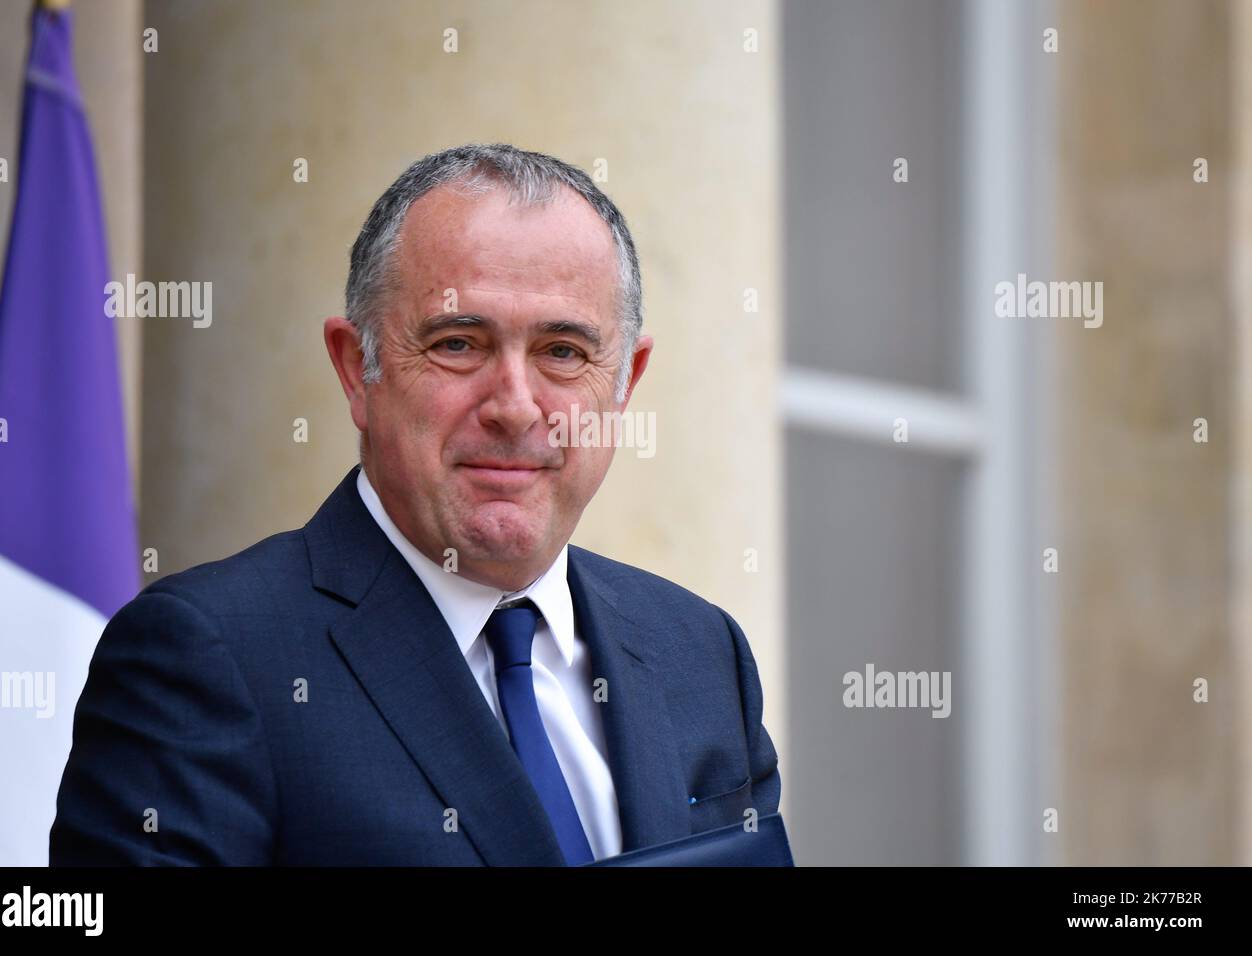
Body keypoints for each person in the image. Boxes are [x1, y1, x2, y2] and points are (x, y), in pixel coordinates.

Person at [50, 143, 780, 865]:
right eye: (459, 344)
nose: (516, 408)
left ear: (625, 382)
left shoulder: (701, 652)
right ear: (356, 369)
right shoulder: (208, 658)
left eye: (563, 352)